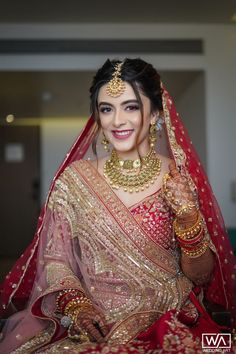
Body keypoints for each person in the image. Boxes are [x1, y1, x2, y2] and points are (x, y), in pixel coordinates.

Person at [0, 58, 235, 354]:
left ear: (154, 114)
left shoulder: (178, 180)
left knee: (219, 348)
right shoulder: (75, 181)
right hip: (96, 326)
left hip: (174, 320)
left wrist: (187, 217)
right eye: (106, 109)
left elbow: (201, 277)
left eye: (131, 106)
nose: (117, 120)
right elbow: (55, 261)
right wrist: (77, 305)